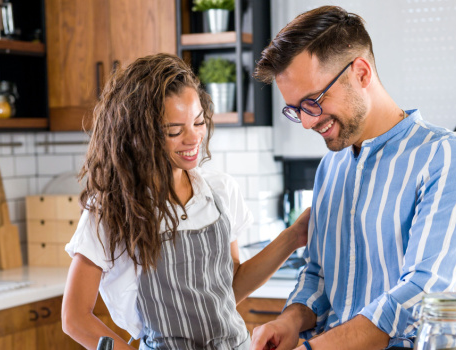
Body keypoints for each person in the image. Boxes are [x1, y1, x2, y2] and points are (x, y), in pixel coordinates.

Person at [250, 6, 456, 350]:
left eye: (313, 101)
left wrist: (313, 349)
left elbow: (424, 293)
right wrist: (289, 320)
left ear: (361, 73)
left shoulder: (447, 157)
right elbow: (317, 276)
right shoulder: (330, 167)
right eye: (295, 109)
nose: (305, 122)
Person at [61, 53, 309, 350]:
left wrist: (293, 236)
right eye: (174, 131)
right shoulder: (113, 209)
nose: (194, 139)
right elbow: (75, 318)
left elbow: (230, 287)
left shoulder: (219, 191)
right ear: (139, 134)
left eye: (199, 122)